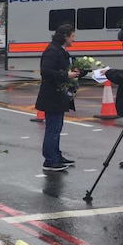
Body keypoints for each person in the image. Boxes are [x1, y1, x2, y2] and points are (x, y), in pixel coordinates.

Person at [35, 24, 81, 172]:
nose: (74, 39)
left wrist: (73, 72)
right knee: (52, 129)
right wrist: (66, 75)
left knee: (56, 128)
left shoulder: (60, 50)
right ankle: (50, 160)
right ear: (65, 36)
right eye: (72, 36)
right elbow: (46, 71)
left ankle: (56, 155)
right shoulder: (52, 50)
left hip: (58, 96)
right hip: (52, 96)